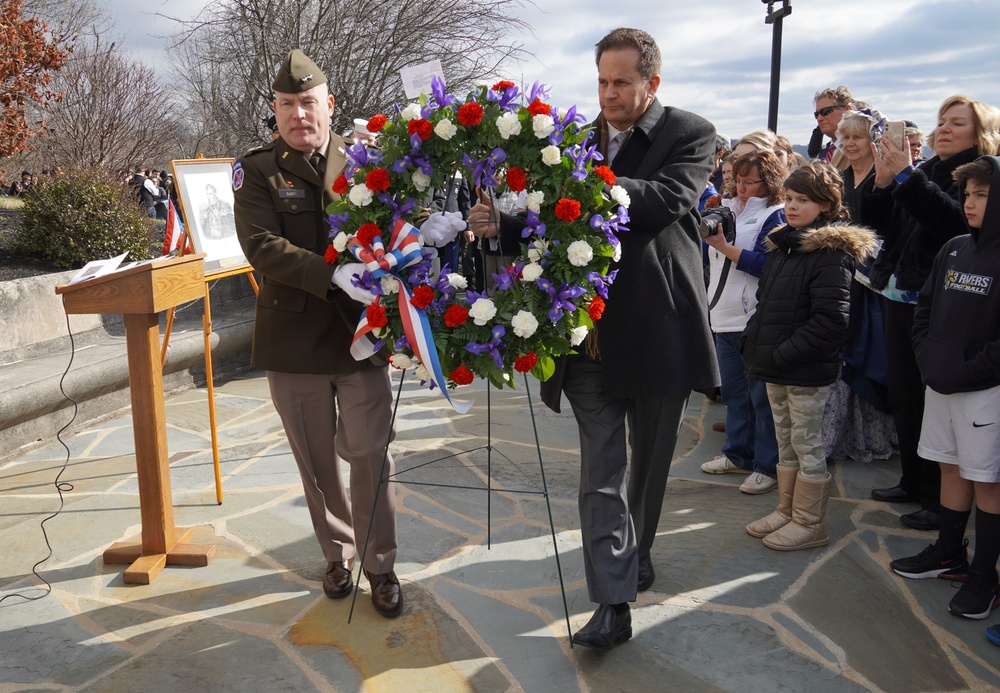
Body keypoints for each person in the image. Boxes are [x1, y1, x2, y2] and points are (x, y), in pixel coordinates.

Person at [469, 27, 718, 649]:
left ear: (651, 84)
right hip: (585, 337)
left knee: (648, 469)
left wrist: (577, 185)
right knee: (602, 471)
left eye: (622, 82)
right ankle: (613, 601)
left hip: (659, 325)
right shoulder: (572, 141)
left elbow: (665, 201)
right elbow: (544, 215)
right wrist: (504, 217)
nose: (609, 93)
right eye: (602, 81)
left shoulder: (690, 133)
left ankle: (636, 552)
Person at [233, 49, 465, 619]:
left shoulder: (364, 164)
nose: (298, 114)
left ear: (329, 104)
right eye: (286, 105)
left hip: (361, 337)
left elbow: (392, 220)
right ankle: (336, 553)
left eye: (308, 102)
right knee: (316, 462)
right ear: (275, 110)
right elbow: (261, 247)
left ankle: (380, 564)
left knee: (370, 454)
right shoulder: (258, 170)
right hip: (294, 340)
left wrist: (423, 231)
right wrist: (331, 273)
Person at [865, 95, 1000, 531]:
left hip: (939, 303)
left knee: (931, 402)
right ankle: (911, 479)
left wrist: (905, 176)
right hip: (897, 292)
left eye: (955, 124)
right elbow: (880, 226)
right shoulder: (923, 171)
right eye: (940, 122)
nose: (942, 129)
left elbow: (954, 226)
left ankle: (935, 500)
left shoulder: (979, 177)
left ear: (980, 134)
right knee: (904, 395)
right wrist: (884, 183)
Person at [742, 161, 876, 551]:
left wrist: (783, 354)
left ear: (827, 204)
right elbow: (768, 304)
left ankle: (810, 521)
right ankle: (787, 509)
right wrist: (755, 342)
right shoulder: (786, 244)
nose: (792, 207)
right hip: (776, 365)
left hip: (803, 369)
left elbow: (832, 320)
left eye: (803, 200)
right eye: (789, 198)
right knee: (785, 441)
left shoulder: (830, 254)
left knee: (807, 444)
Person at [889, 155, 1000, 621]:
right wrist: (929, 357)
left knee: (987, 483)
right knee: (951, 469)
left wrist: (966, 370)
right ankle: (949, 554)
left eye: (981, 195)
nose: (970, 203)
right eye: (967, 194)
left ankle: (984, 576)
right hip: (941, 381)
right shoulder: (954, 247)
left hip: (984, 391)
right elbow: (925, 307)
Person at [700, 149, 785, 494]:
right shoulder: (728, 207)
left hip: (753, 319)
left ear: (770, 182)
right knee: (735, 395)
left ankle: (766, 465)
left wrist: (723, 245)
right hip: (722, 316)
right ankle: (738, 455)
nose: (743, 187)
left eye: (751, 181)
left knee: (761, 400)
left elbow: (769, 266)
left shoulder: (775, 214)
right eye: (738, 179)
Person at [822, 110, 897, 463]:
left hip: (874, 283)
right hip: (841, 276)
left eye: (858, 137)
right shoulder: (838, 178)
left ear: (874, 140)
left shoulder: (888, 178)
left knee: (868, 353)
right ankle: (838, 436)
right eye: (845, 138)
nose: (850, 144)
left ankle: (872, 438)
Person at [808, 86, 855, 165]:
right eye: (817, 114)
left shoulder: (863, 149)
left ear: (848, 110)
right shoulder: (821, 155)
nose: (819, 119)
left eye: (826, 111)